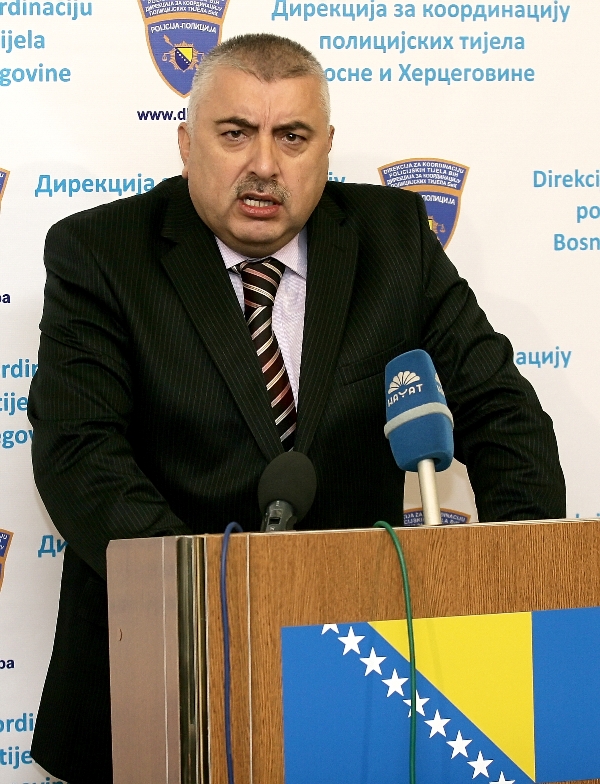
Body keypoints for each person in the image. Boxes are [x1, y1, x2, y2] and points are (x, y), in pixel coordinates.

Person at [28, 33, 565, 784]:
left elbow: (502, 413)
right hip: (160, 677)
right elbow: (81, 458)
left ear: (327, 148)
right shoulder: (100, 252)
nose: (264, 165)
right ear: (185, 143)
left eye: (292, 136)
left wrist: (520, 594)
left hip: (366, 676)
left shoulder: (393, 238)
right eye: (235, 133)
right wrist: (224, 607)